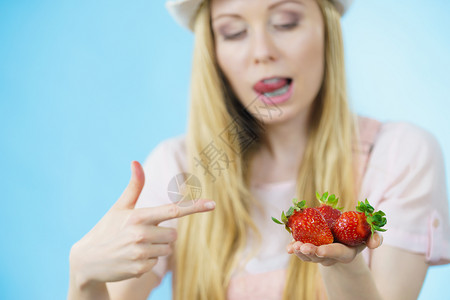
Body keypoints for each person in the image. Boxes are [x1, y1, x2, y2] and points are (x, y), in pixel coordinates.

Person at [68, 0, 450, 299]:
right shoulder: (182, 170)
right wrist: (83, 276)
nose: (262, 51)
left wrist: (345, 266)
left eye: (285, 22)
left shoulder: (400, 154)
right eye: (233, 32)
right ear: (212, 53)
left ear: (327, 30)